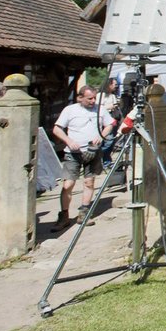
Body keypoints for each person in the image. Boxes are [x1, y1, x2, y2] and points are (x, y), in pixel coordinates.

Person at [51, 84, 116, 231]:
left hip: (93, 151)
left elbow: (110, 123)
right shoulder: (70, 110)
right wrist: (68, 141)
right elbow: (57, 128)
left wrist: (101, 136)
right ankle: (64, 215)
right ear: (80, 98)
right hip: (73, 152)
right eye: (89, 98)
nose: (93, 101)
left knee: (89, 182)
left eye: (94, 98)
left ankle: (84, 212)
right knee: (68, 184)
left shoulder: (100, 109)